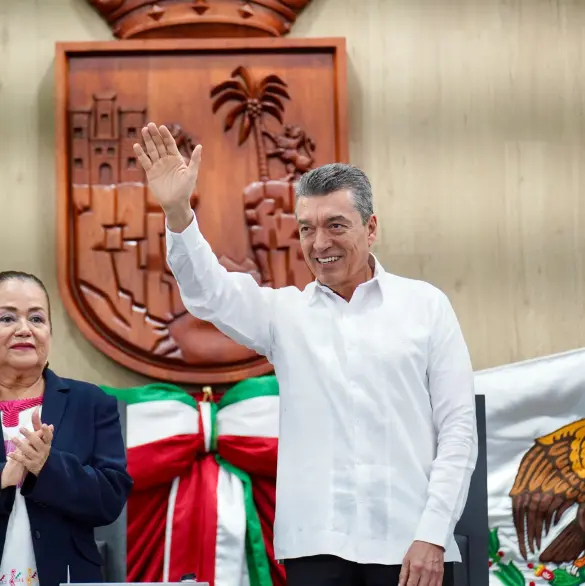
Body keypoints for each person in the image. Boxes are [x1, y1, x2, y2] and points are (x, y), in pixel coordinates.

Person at [133, 123, 478, 586]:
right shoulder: (284, 314)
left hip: (411, 546)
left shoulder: (426, 306)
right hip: (315, 547)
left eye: (336, 226)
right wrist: (177, 211)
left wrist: (434, 533)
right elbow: (208, 293)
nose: (319, 244)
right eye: (307, 229)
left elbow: (458, 431)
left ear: (371, 228)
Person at [0, 271, 133, 586]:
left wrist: (49, 467)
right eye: (6, 318)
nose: (24, 330)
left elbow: (110, 500)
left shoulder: (91, 403)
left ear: (50, 332)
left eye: (37, 318)